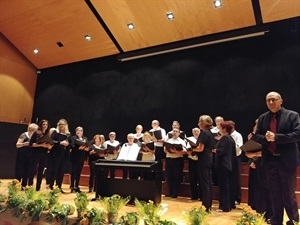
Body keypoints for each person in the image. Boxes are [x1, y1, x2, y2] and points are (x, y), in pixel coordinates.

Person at [253, 91, 300, 225]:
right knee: (274, 193)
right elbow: (256, 136)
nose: (271, 103)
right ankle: (276, 220)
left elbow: (297, 134)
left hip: (286, 161)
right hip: (270, 160)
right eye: (268, 100)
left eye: (274, 100)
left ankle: (293, 221)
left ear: (281, 101)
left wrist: (276, 137)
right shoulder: (263, 118)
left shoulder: (292, 115)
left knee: (288, 194)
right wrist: (267, 139)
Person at [246, 119, 272, 222]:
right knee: (261, 190)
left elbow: (268, 152)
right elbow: (254, 150)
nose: (255, 127)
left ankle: (270, 214)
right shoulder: (257, 136)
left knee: (268, 191)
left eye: (257, 125)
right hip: (259, 164)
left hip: (268, 165)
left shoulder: (268, 136)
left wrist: (254, 155)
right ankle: (262, 212)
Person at [213, 121, 236, 212]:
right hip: (228, 165)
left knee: (224, 187)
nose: (219, 129)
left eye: (221, 128)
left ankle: (224, 207)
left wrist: (214, 150)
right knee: (226, 186)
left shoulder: (224, 138)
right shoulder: (230, 139)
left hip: (222, 165)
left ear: (225, 129)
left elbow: (221, 152)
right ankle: (228, 205)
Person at [193, 115, 214, 212]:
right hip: (209, 159)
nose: (198, 124)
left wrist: (190, 150)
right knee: (208, 183)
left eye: (200, 122)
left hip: (203, 160)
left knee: (205, 183)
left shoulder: (204, 133)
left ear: (205, 123)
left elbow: (200, 148)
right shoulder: (209, 133)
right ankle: (208, 205)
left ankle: (205, 207)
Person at [48, 119, 72, 193]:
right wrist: (60, 143)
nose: (61, 126)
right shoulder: (55, 132)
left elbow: (71, 144)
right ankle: (51, 186)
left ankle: (59, 186)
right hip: (55, 154)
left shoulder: (68, 134)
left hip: (64, 155)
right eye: (60, 124)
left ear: (66, 126)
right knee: (54, 170)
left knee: (61, 171)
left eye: (63, 124)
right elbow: (51, 141)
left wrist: (68, 145)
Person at [29, 120, 52, 191]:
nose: (45, 126)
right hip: (35, 153)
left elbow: (50, 146)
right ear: (41, 125)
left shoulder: (48, 135)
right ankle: (30, 185)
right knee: (32, 170)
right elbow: (31, 144)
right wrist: (41, 144)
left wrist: (49, 146)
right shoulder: (36, 133)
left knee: (41, 171)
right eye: (43, 124)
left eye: (46, 124)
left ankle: (38, 188)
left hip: (44, 154)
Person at [164, 128, 187, 198]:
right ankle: (170, 192)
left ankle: (175, 193)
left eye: (176, 131)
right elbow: (164, 150)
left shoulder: (181, 141)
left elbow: (185, 151)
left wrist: (175, 151)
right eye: (173, 131)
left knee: (176, 176)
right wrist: (168, 150)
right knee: (169, 176)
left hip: (177, 160)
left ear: (179, 133)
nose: (174, 132)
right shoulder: (168, 140)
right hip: (169, 159)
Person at [15, 123, 38, 190]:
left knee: (27, 171)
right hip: (21, 156)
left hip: (30, 156)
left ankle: (24, 186)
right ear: (31, 129)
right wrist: (25, 144)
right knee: (19, 171)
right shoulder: (24, 135)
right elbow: (17, 145)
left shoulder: (35, 137)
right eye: (34, 130)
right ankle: (16, 185)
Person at [70, 126, 89, 193]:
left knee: (78, 173)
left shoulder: (85, 138)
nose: (79, 132)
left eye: (81, 130)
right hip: (75, 157)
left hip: (81, 158)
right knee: (73, 172)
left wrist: (87, 149)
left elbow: (87, 146)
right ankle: (72, 186)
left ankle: (77, 186)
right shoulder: (73, 137)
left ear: (82, 132)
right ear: (76, 131)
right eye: (78, 130)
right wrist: (78, 148)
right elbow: (72, 146)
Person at [228, 120, 243, 205]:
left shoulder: (237, 135)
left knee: (235, 179)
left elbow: (239, 148)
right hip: (228, 158)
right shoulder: (227, 135)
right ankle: (230, 197)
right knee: (230, 179)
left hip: (235, 158)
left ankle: (237, 198)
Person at [185, 127, 201, 200]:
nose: (196, 133)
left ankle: (201, 195)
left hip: (199, 161)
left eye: (197, 131)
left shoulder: (201, 139)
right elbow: (187, 149)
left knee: (200, 178)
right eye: (194, 131)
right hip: (192, 160)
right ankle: (194, 195)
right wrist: (190, 153)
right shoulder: (190, 139)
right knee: (192, 178)